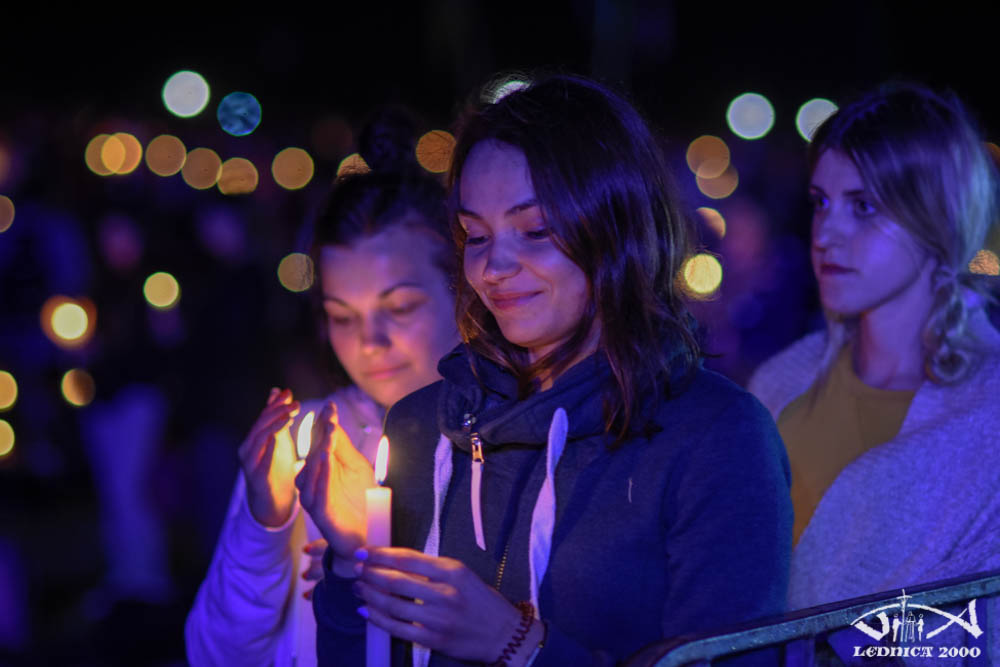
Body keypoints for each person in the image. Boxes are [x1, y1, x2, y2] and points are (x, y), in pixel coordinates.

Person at [299, 73, 792, 666]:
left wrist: (520, 645)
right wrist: (353, 560)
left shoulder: (716, 436)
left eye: (535, 231)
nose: (494, 267)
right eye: (475, 235)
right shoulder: (420, 426)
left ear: (615, 226)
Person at [184, 117, 460, 666]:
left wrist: (370, 566)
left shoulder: (507, 439)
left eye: (401, 307)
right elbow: (214, 654)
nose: (370, 342)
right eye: (342, 315)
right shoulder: (307, 446)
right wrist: (264, 526)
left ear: (465, 289)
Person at [747, 83, 1000, 613]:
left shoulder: (988, 417)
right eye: (820, 202)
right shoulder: (778, 384)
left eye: (863, 206)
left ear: (939, 217)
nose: (825, 233)